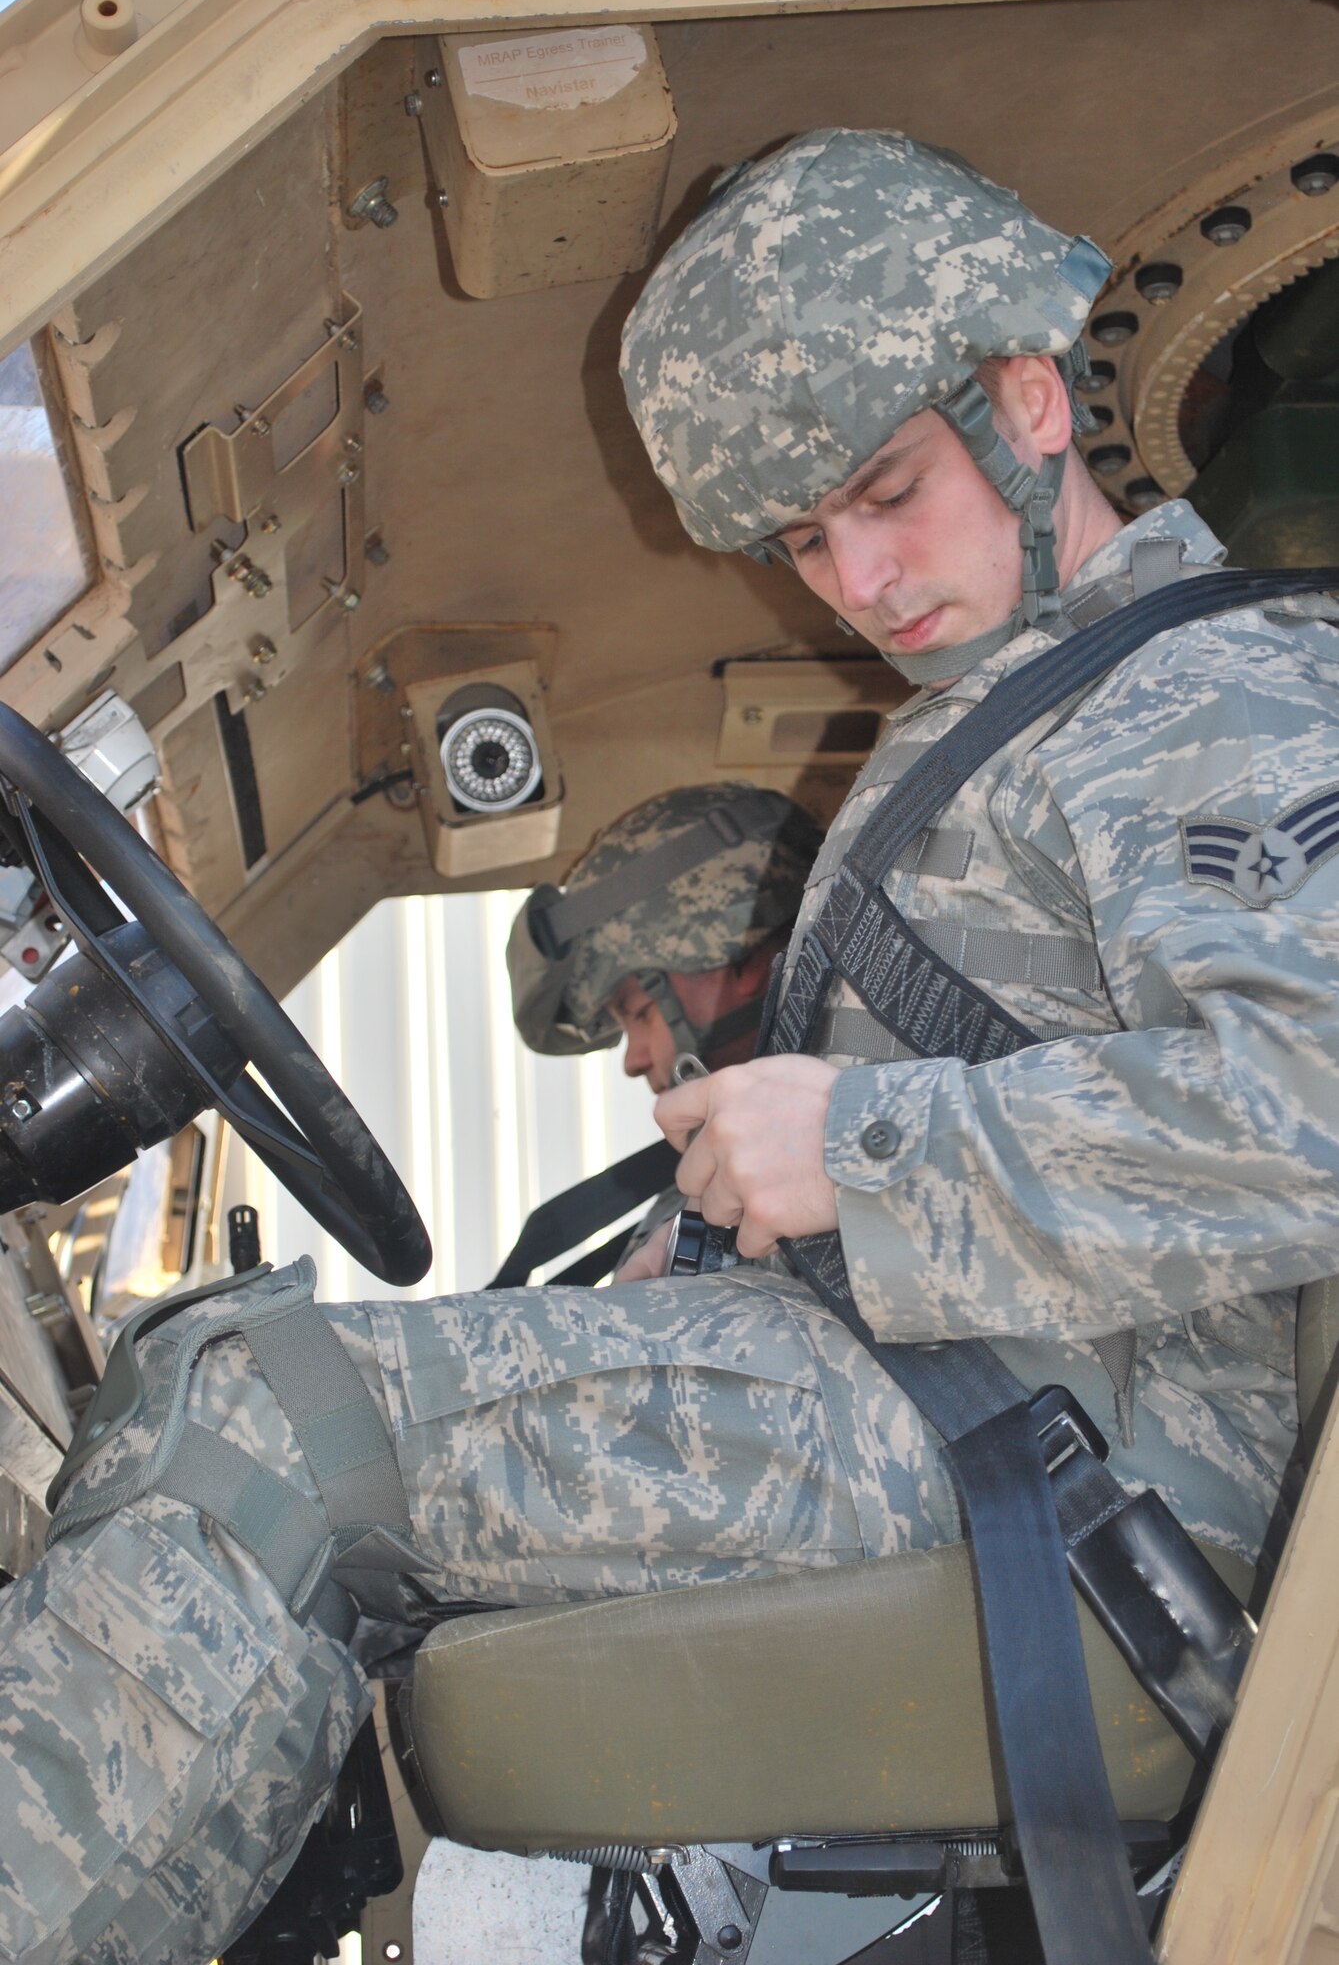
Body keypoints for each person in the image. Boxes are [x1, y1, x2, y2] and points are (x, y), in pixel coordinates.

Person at [2, 126, 1334, 1965]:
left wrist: (858, 1149)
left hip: (1097, 1468)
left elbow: (1317, 1107)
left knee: (266, 1423)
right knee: (208, 1371)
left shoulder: (1217, 690)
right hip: (988, 1406)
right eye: (805, 541)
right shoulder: (1032, 709)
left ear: (1029, 400)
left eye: (886, 493)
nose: (857, 582)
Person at [503, 782, 822, 1269]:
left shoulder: (846, 1127)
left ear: (743, 959)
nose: (633, 1061)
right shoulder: (719, 1173)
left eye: (638, 1012)